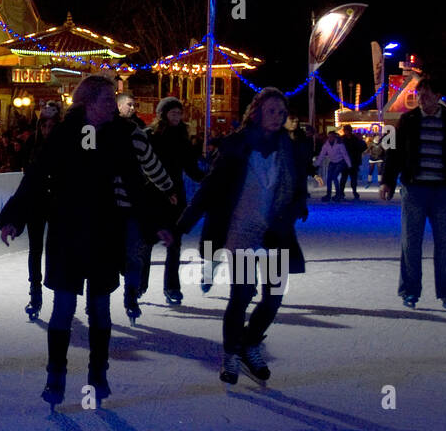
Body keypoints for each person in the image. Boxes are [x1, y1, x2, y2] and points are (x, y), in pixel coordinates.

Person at [0, 75, 175, 408]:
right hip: (67, 233)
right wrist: (13, 217)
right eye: (108, 100)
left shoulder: (119, 135)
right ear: (90, 103)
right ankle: (56, 374)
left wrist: (158, 223)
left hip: (104, 233)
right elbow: (36, 175)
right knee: (64, 308)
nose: (114, 105)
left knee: (100, 308)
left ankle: (97, 373)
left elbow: (136, 185)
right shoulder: (65, 134)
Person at [176, 87, 309, 385]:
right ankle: (231, 355)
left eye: (282, 112)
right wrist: (183, 223)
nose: (278, 117)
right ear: (257, 111)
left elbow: (297, 184)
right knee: (242, 295)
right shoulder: (237, 146)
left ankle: (249, 344)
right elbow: (211, 188)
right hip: (243, 230)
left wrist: (299, 204)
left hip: (274, 232)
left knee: (273, 298)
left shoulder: (290, 147)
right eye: (272, 111)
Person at [381, 73, 446, 310]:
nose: (422, 99)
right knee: (411, 243)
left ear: (438, 96)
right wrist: (387, 181)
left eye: (426, 95)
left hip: (442, 191)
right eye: (419, 95)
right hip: (414, 190)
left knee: (445, 244)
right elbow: (394, 153)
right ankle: (410, 291)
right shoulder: (408, 120)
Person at [116, 92, 180, 321]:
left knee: (134, 253)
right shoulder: (95, 131)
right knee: (118, 255)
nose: (132, 108)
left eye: (134, 105)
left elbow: (152, 164)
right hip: (109, 206)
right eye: (128, 105)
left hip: (130, 204)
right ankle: (101, 296)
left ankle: (131, 294)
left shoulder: (135, 133)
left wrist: (168, 188)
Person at [150, 97, 206, 305]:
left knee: (174, 244)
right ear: (163, 114)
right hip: (156, 195)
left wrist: (205, 178)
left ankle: (172, 286)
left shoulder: (182, 137)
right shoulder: (153, 137)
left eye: (179, 113)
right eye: (172, 113)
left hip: (176, 196)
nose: (176, 116)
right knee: (147, 242)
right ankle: (139, 284)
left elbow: (190, 166)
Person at [20, 101, 61, 319]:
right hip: (36, 203)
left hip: (56, 204)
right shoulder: (32, 145)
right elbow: (27, 175)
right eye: (44, 126)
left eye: (51, 126)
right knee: (35, 249)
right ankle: (35, 293)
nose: (47, 130)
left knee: (54, 249)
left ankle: (57, 291)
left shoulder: (65, 147)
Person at [317, 131, 352, 201]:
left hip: (340, 162)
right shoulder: (326, 145)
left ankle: (337, 194)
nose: (330, 138)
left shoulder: (340, 144)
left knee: (334, 177)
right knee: (329, 178)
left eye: (332, 137)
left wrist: (349, 165)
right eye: (329, 137)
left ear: (334, 137)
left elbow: (345, 155)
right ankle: (328, 194)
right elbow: (322, 154)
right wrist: (317, 163)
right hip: (332, 162)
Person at [339, 124, 367, 200]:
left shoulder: (353, 139)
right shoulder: (344, 139)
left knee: (351, 178)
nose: (346, 132)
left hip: (353, 161)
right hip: (347, 161)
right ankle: (342, 192)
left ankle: (353, 192)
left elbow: (363, 147)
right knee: (345, 178)